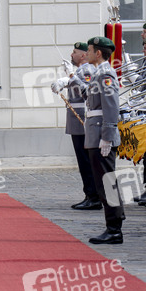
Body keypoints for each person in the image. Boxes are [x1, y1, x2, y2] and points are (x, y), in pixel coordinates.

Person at [84, 36, 124, 244]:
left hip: (101, 135)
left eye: (89, 50)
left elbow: (111, 106)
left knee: (107, 183)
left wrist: (107, 137)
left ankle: (114, 229)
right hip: (95, 133)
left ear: (98, 53)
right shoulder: (98, 73)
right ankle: (113, 224)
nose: (87, 54)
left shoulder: (105, 74)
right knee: (104, 183)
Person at [52, 42, 100, 210]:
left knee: (86, 161)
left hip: (82, 120)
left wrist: (69, 78)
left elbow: (86, 91)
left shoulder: (86, 70)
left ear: (83, 55)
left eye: (74, 52)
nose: (71, 55)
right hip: (77, 120)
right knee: (83, 161)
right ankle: (90, 194)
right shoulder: (80, 70)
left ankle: (93, 196)